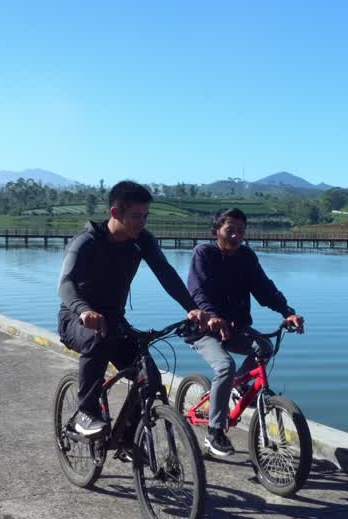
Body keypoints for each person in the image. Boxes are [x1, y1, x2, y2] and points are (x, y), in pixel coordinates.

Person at [57, 181, 223, 436]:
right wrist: (83, 310)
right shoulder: (86, 241)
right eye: (136, 216)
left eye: (146, 216)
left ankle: (126, 439)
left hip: (115, 320)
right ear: (115, 213)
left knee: (150, 379)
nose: (142, 222)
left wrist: (192, 308)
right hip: (76, 318)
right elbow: (65, 283)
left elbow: (166, 274)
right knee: (98, 339)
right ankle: (86, 413)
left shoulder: (142, 241)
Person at [186, 208, 304, 457]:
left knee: (264, 348)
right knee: (225, 366)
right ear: (216, 230)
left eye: (241, 231)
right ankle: (215, 432)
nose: (236, 236)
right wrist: (212, 316)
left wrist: (287, 312)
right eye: (230, 230)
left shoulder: (246, 256)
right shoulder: (203, 253)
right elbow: (198, 291)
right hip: (204, 330)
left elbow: (265, 289)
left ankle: (237, 389)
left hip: (236, 328)